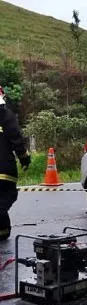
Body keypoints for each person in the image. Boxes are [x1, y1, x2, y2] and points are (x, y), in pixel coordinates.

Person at [0, 90, 30, 241]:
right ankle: (3, 232)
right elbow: (16, 139)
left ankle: (3, 232)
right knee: (3, 200)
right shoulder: (6, 115)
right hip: (4, 171)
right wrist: (25, 159)